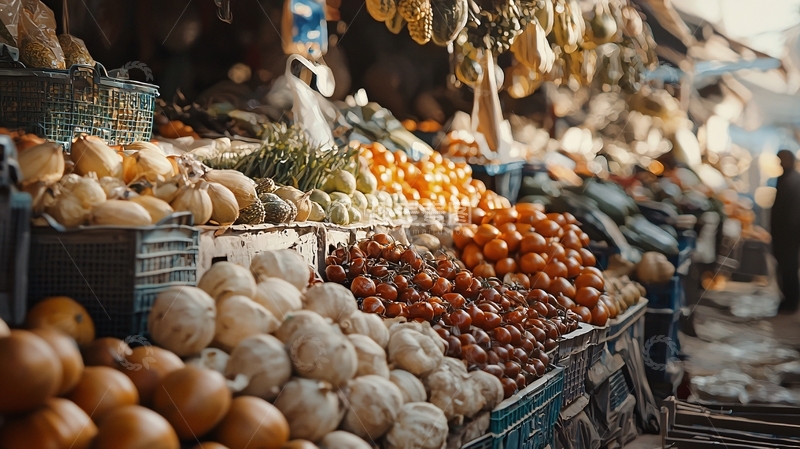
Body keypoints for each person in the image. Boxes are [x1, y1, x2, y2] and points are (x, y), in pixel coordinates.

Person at [771, 149, 800, 313]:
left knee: (789, 268)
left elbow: (791, 214)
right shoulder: (788, 179)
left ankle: (791, 301)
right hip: (785, 234)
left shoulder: (792, 180)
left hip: (788, 235)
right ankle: (789, 300)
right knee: (786, 267)